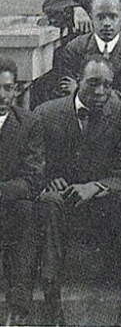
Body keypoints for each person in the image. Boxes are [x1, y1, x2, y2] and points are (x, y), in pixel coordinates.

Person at [30, 56, 121, 325]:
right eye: (93, 83)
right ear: (77, 80)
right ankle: (52, 302)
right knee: (49, 202)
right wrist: (48, 179)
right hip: (62, 202)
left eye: (107, 85)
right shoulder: (46, 113)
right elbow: (33, 161)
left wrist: (96, 187)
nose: (100, 92)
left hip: (100, 204)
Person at [57, 0, 121, 112]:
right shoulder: (75, 48)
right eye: (100, 17)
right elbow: (66, 94)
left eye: (113, 17)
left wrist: (82, 90)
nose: (106, 23)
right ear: (91, 17)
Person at [0, 59, 41, 326]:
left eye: (7, 88)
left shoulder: (27, 123)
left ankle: (17, 308)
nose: (1, 95)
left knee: (26, 212)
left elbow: (32, 178)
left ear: (16, 90)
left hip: (10, 205)